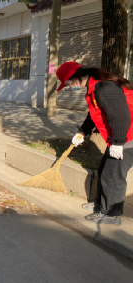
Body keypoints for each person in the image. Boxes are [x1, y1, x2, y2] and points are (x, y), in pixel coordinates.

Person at [57, 61, 133, 225]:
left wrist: (118, 143)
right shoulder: (95, 87)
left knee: (114, 175)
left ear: (75, 77)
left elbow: (121, 116)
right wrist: (82, 132)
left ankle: (111, 213)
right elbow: (95, 114)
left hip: (128, 136)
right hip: (120, 136)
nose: (69, 86)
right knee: (105, 169)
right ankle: (101, 204)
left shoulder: (105, 88)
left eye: (68, 82)